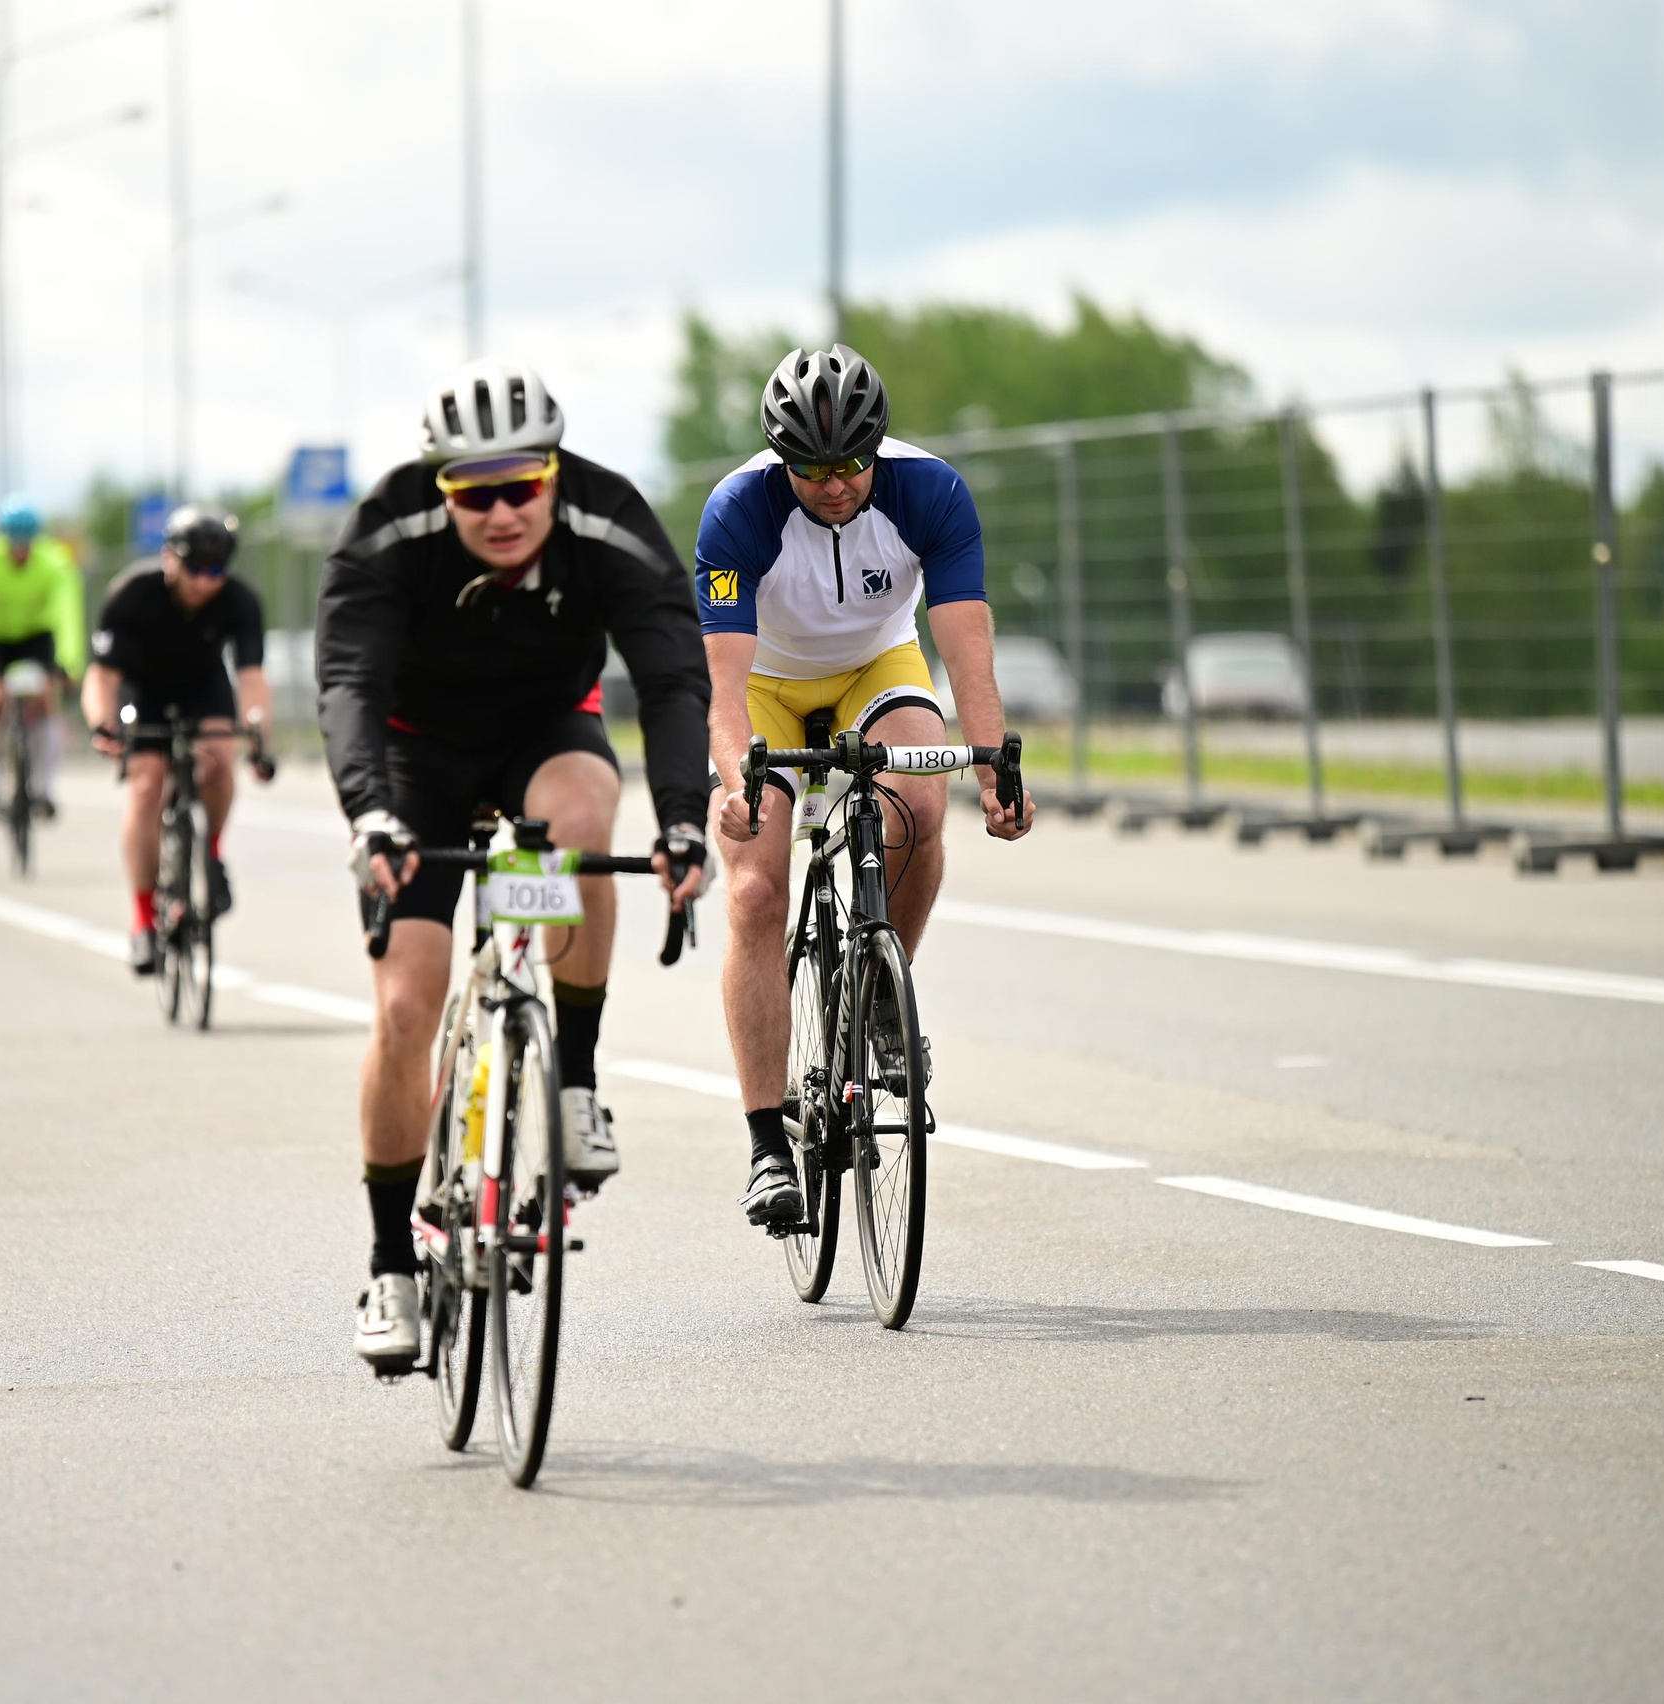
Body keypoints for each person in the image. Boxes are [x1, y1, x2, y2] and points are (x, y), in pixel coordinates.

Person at [319, 358, 712, 1370]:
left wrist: (681, 822)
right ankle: (391, 1267)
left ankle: (573, 1082)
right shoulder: (386, 530)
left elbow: (671, 679)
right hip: (416, 756)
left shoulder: (610, 520)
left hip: (546, 731)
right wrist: (369, 816)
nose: (500, 513)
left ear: (553, 472)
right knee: (406, 1007)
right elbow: (350, 681)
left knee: (583, 823)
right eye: (474, 494)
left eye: (521, 488)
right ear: (441, 489)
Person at [695, 344, 1034, 1231]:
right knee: (756, 887)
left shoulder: (931, 491)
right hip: (767, 685)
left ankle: (882, 992)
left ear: (877, 448)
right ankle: (767, 1147)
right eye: (812, 470)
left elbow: (965, 648)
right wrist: (736, 782)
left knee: (920, 804)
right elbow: (723, 687)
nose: (836, 485)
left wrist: (995, 764)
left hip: (875, 666)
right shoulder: (737, 509)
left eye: (851, 464)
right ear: (781, 460)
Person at [82, 504, 276, 972]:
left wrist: (258, 736)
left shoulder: (240, 600)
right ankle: (143, 920)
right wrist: (102, 723)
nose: (205, 582)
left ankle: (211, 854)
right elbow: (102, 677)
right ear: (170, 557)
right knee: (147, 784)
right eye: (195, 570)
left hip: (202, 687)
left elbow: (252, 679)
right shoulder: (132, 593)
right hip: (142, 690)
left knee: (219, 756)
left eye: (216, 571)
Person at [0, 494, 84, 818]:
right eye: (14, 542)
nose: (20, 549)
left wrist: (69, 662)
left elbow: (67, 613)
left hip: (36, 638)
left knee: (46, 697)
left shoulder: (55, 562)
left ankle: (45, 788)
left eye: (26, 542)